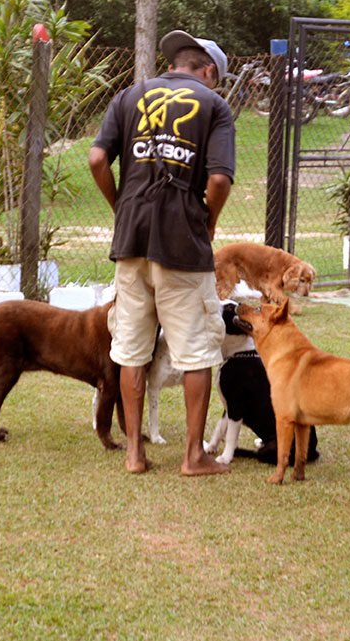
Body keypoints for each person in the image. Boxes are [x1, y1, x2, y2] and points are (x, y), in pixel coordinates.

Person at [88, 30, 235, 476]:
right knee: (196, 350)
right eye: (216, 78)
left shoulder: (130, 95)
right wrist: (208, 223)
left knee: (131, 349)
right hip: (182, 244)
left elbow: (97, 159)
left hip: (131, 240)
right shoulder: (214, 105)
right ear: (208, 71)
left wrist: (121, 208)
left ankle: (135, 453)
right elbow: (219, 181)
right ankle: (193, 456)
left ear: (177, 63)